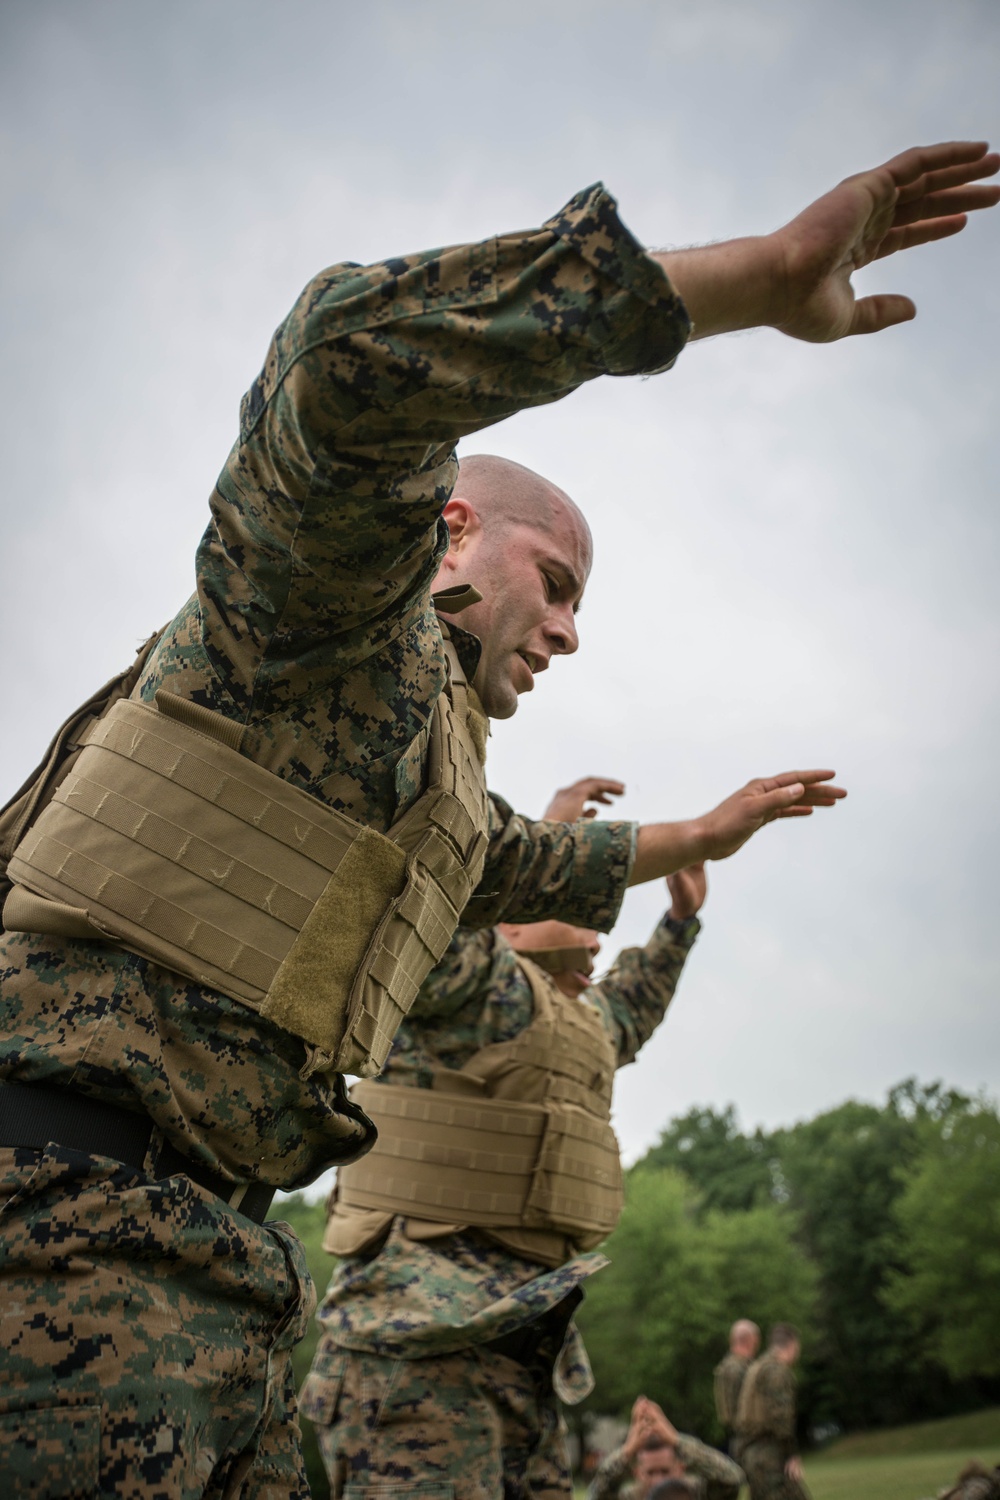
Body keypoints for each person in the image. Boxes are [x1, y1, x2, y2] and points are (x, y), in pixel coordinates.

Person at [0, 140, 994, 1496]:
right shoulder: (317, 617)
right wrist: (749, 281)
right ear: (453, 529)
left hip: (219, 1270)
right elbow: (337, 357)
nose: (573, 631)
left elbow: (522, 859)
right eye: (561, 582)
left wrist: (697, 842)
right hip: (57, 1217)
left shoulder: (428, 773)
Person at [303, 773, 714, 1498]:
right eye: (574, 908)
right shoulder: (467, 989)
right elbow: (444, 907)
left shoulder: (572, 1022)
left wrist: (677, 925)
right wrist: (546, 837)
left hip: (522, 1355)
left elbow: (630, 1007)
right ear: (511, 919)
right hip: (413, 1357)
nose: (597, 927)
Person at [587, 1395, 743, 1500]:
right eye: (651, 1472)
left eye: (665, 1471)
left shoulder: (692, 1494)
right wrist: (627, 1451)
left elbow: (732, 1479)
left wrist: (677, 1441)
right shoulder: (632, 1497)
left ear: (680, 1467)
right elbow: (596, 1494)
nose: (658, 1480)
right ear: (637, 1473)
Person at [734, 1323, 809, 1499]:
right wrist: (791, 1454)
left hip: (751, 1454)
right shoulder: (777, 1371)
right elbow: (781, 1418)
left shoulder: (757, 1367)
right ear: (792, 1345)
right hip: (769, 1455)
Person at [714, 1319, 761, 1456]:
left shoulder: (725, 1367)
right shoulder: (741, 1369)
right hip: (750, 1440)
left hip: (735, 1437)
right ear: (751, 1340)